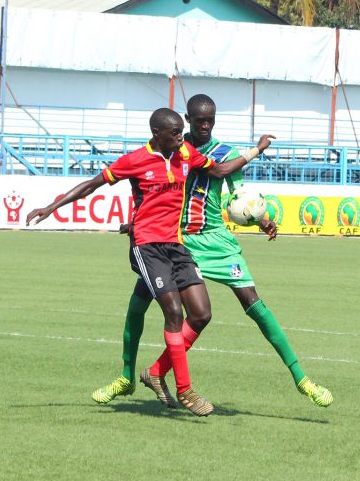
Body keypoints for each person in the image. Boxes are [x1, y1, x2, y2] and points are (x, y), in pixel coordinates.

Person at [26, 107, 274, 416]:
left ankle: (143, 376)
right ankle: (184, 391)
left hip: (177, 245)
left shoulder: (185, 154)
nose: (182, 138)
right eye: (175, 134)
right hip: (147, 246)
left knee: (201, 312)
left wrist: (256, 150)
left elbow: (220, 171)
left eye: (182, 133)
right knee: (171, 311)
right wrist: (50, 207)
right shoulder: (134, 161)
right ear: (157, 134)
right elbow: (92, 185)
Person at [92, 94, 333, 409]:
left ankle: (302, 380)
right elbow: (153, 188)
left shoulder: (224, 153)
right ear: (188, 119)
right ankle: (126, 377)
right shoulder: (172, 144)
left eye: (211, 120)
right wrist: (138, 220)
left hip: (216, 241)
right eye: (199, 120)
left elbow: (240, 196)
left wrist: (262, 220)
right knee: (139, 305)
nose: (205, 126)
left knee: (254, 304)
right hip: (175, 240)